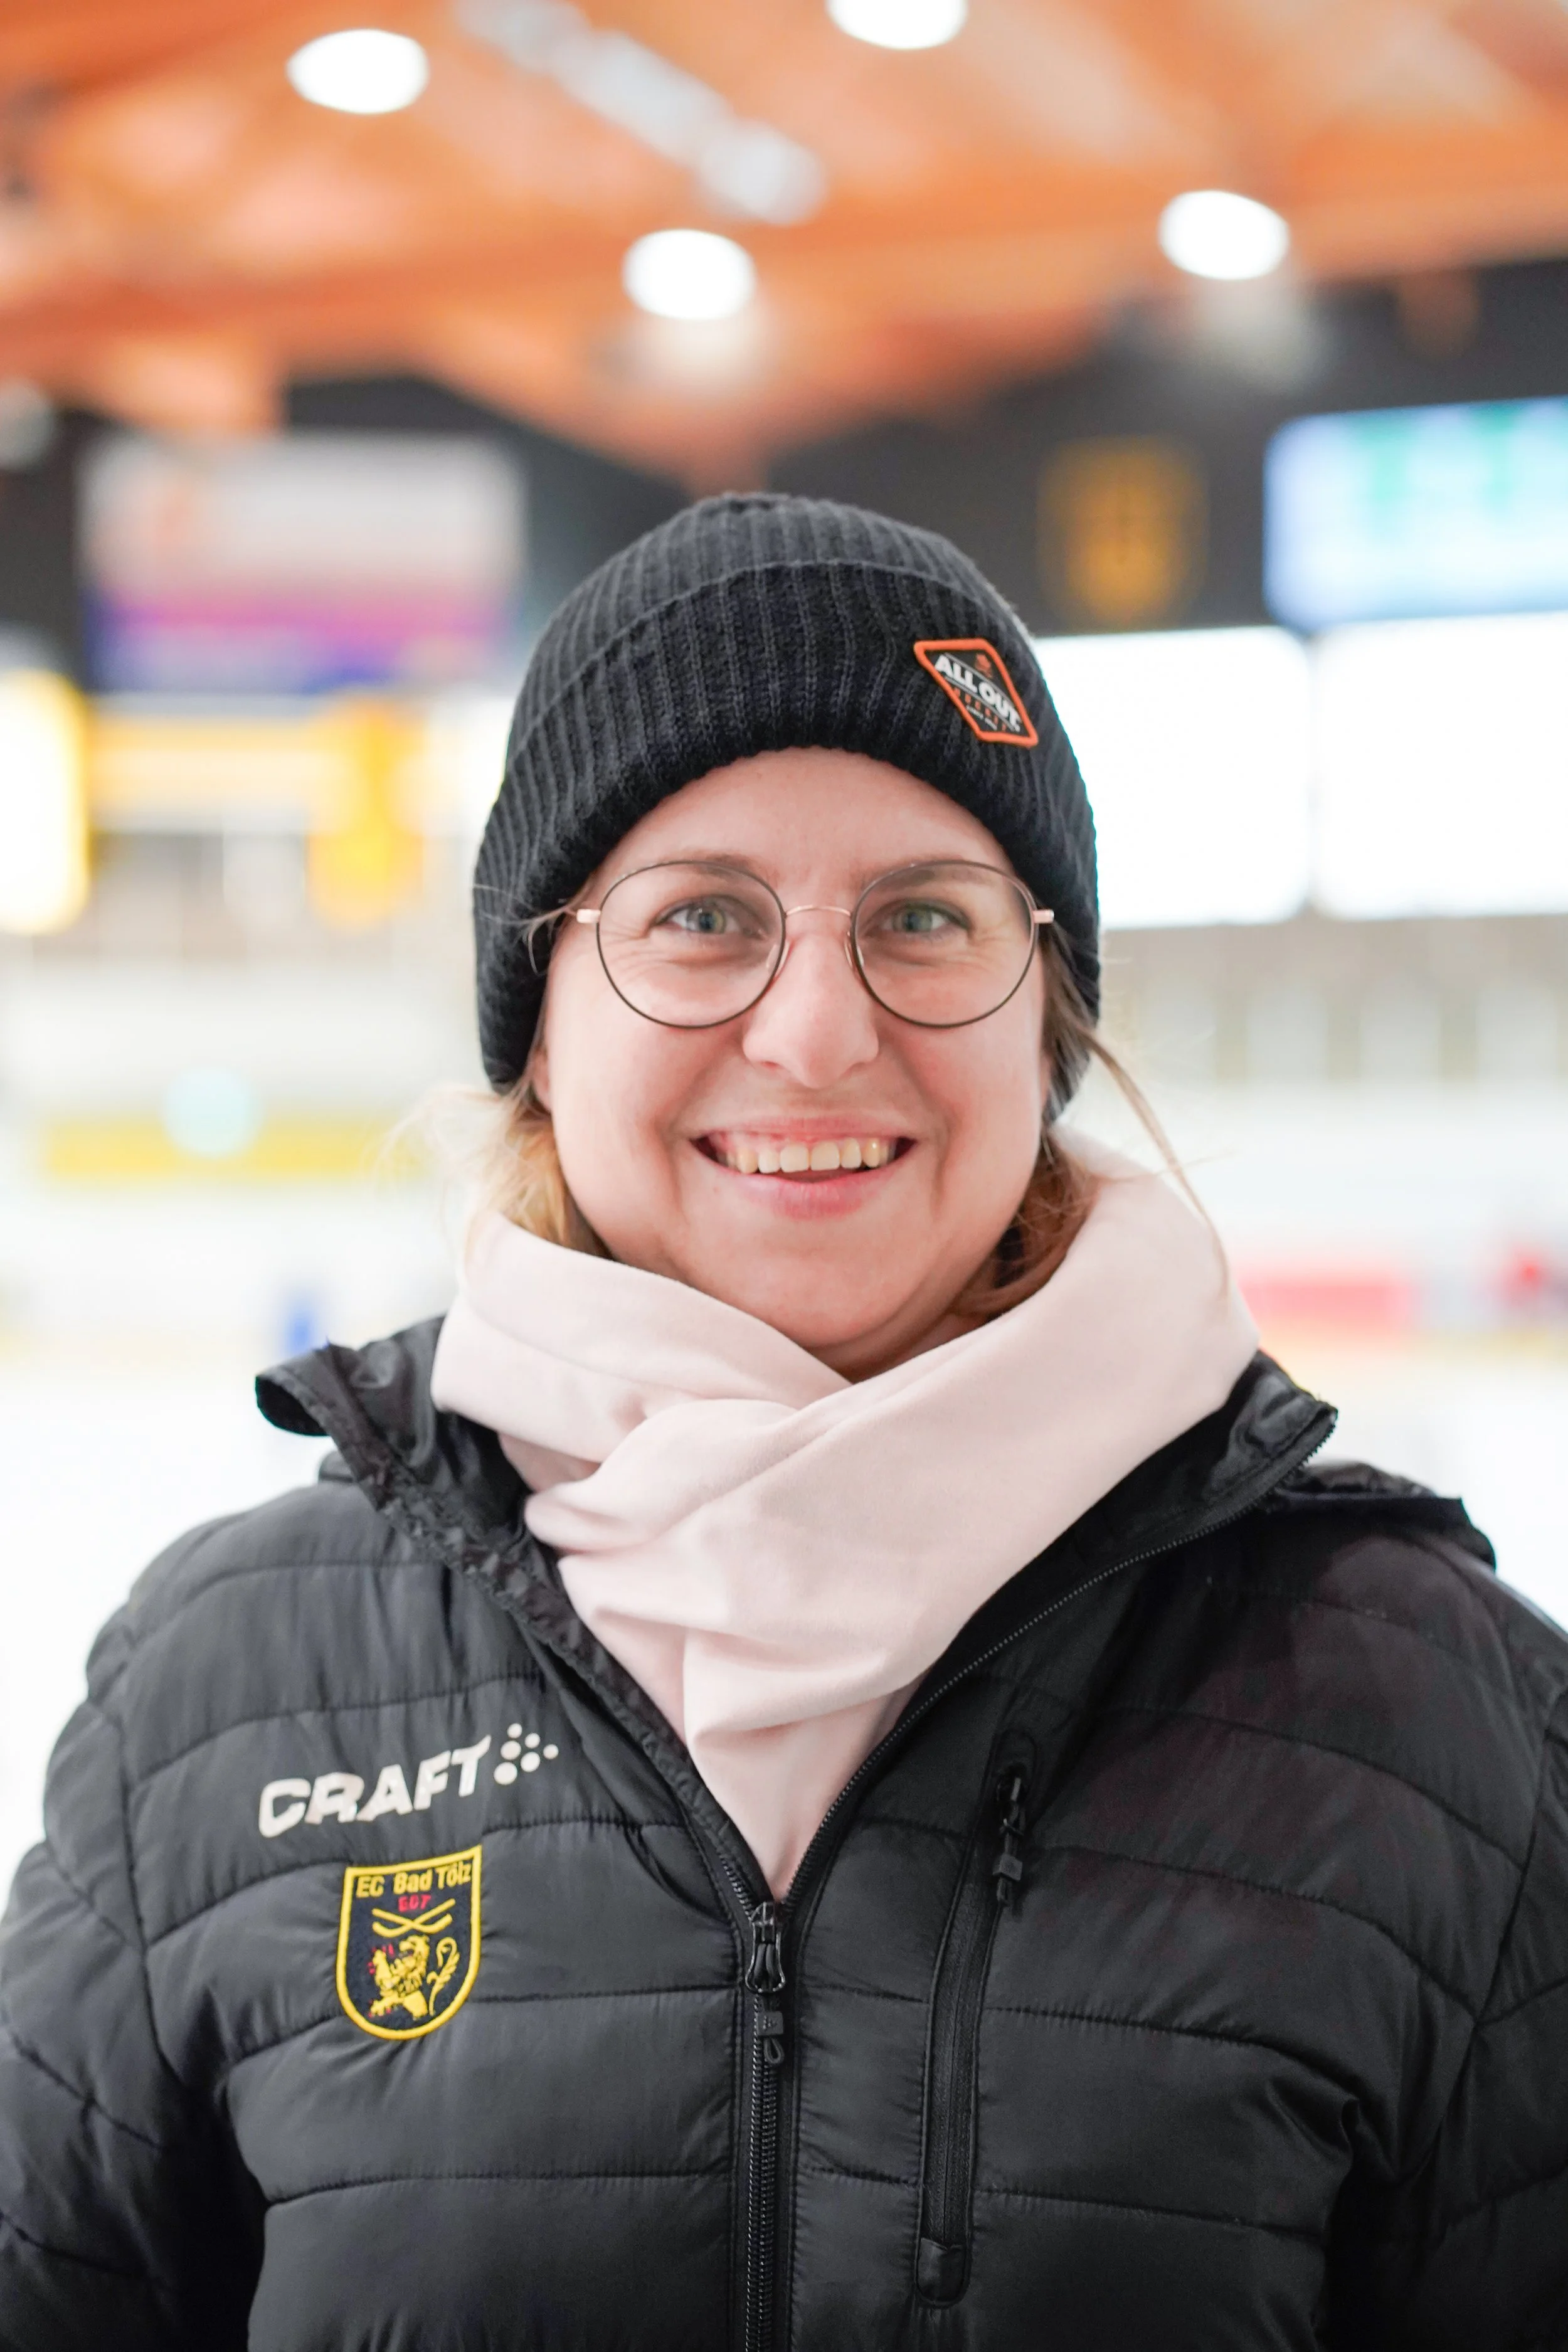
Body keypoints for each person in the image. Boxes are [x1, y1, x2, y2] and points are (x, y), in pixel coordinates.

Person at [1, 494, 1564, 2351]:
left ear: (1041, 1009)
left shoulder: (1426, 1706)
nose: (815, 1029)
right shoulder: (225, 1685)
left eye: (920, 914)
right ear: (544, 1015)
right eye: (700, 919)